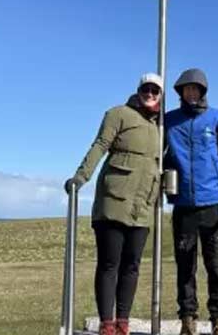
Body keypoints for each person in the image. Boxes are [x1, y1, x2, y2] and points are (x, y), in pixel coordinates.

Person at [65, 73, 164, 335]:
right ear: (138, 90)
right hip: (114, 200)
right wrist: (80, 176)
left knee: (132, 266)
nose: (150, 94)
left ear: (161, 95)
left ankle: (123, 322)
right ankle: (107, 324)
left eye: (156, 90)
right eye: (147, 88)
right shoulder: (118, 113)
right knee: (110, 264)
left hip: (143, 205)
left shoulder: (161, 126)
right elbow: (100, 145)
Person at [164, 68, 218, 335]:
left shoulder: (217, 118)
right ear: (180, 93)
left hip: (212, 205)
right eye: (187, 89)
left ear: (203, 92)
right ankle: (188, 321)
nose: (191, 93)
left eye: (196, 89)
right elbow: (157, 155)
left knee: (216, 268)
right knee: (185, 267)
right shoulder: (169, 121)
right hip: (183, 207)